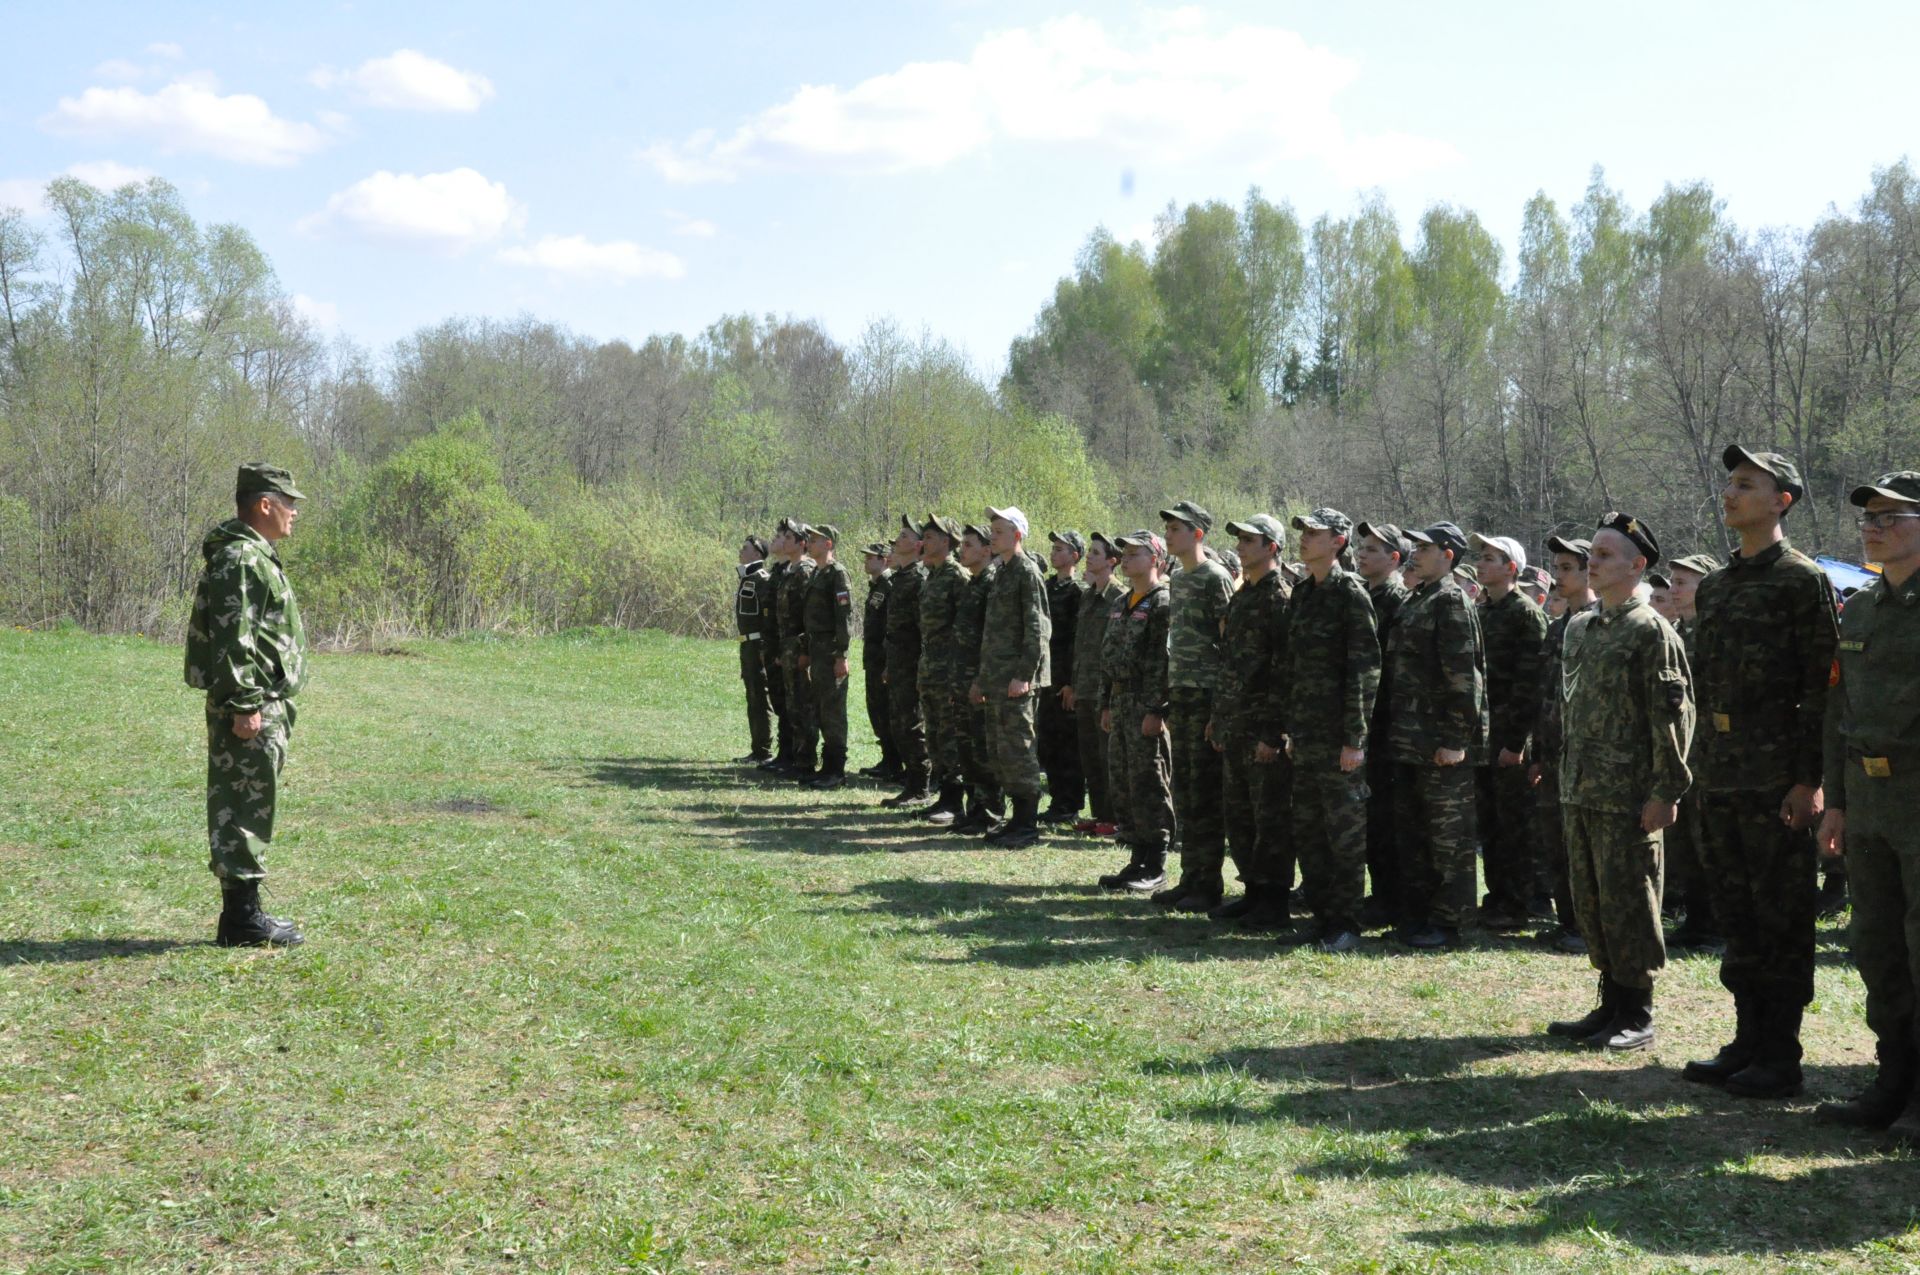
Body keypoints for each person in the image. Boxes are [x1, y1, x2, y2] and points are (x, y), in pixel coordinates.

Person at [1684, 447, 1839, 1100]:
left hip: (1776, 781)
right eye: (1728, 482)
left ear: (1783, 500)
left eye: (1746, 484)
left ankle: (1781, 1050)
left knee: (1781, 916)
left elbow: (1822, 689)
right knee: (1738, 913)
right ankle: (1747, 1038)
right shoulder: (1716, 587)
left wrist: (1809, 780)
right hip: (1720, 777)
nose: (1730, 492)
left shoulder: (1802, 581)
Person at [1546, 513, 1694, 1051]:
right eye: (1594, 553)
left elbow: (1673, 717)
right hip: (1582, 787)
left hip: (1628, 795)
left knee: (1630, 899)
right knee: (1591, 899)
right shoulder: (1582, 626)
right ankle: (1610, 1001)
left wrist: (1666, 791)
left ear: (1637, 566)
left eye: (1606, 555)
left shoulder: (1651, 630)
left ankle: (1637, 1009)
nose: (1593, 562)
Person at [1816, 471, 1920, 1138]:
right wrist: (1837, 800)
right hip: (1872, 799)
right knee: (1877, 942)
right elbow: (1838, 710)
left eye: (1892, 516)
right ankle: (1893, 1079)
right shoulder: (1862, 607)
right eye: (1869, 518)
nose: (1874, 527)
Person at [184, 462, 311, 947]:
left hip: (260, 699)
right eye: (289, 503)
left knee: (252, 800)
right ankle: (241, 919)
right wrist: (244, 704)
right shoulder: (241, 558)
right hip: (250, 704)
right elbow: (235, 635)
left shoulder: (254, 554)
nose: (295, 512)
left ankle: (245, 912)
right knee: (242, 802)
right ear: (264, 504)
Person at [1280, 508, 1379, 952]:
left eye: (1314, 533)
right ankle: (1321, 917)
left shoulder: (1350, 593)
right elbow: (1292, 666)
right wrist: (1288, 729)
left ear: (1338, 541)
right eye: (1302, 532)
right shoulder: (1303, 592)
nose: (1304, 539)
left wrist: (1354, 740)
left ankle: (1346, 924)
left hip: (1338, 738)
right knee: (1309, 831)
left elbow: (1364, 669)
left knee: (1343, 837)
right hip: (1305, 734)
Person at [1386, 521, 1488, 949]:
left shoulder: (1450, 601)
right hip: (1411, 739)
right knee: (1416, 836)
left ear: (1448, 555)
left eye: (1425, 548)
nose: (1416, 552)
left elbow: (1464, 676)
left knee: (1449, 839)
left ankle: (1451, 923)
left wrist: (1457, 739)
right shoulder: (1419, 597)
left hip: (1439, 742)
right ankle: (1423, 916)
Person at [1208, 513, 1294, 931]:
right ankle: (1253, 893)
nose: (1241, 546)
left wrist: (1273, 733)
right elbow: (1229, 664)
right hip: (1235, 723)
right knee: (1240, 817)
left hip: (1261, 727)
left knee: (1269, 819)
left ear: (1272, 548)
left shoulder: (1279, 597)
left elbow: (1282, 670)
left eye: (1250, 540)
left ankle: (1274, 901)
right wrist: (1218, 717)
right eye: (1239, 539)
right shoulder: (1243, 595)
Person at [1154, 500, 1236, 910]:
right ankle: (1190, 878)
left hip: (1205, 695)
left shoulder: (1213, 577)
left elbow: (1228, 643)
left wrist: (1218, 709)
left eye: (1176, 528)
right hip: (1182, 693)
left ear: (1197, 534)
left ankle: (1208, 885)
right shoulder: (1178, 579)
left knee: (1204, 792)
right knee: (1185, 788)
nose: (1169, 534)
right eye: (1167, 528)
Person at [1472, 533, 1549, 931]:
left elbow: (1531, 685)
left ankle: (1517, 904)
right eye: (1481, 558)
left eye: (1491, 558)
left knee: (1513, 826)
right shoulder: (1482, 610)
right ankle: (1496, 897)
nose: (1481, 564)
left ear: (1512, 569)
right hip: (1484, 737)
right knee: (1490, 825)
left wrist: (1516, 743)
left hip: (1510, 739)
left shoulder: (1525, 614)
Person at [1096, 531, 1175, 892]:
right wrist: (1106, 702)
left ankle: (1156, 863)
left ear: (1155, 559)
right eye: (1123, 553)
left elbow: (1163, 661)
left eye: (1135, 553)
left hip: (1146, 702)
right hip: (1121, 700)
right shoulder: (1123, 601)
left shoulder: (1162, 602)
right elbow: (1107, 657)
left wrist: (1157, 709)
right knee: (1124, 781)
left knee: (1149, 781)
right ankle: (1137, 858)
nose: (1125, 559)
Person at [1531, 535, 1596, 954]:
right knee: (1556, 843)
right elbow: (1546, 696)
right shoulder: (1557, 627)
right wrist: (1538, 753)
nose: (1558, 575)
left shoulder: (1598, 622)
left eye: (1568, 568)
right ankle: (1568, 920)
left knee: (1583, 848)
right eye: (1556, 567)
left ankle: (1587, 926)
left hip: (1587, 757)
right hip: (1554, 754)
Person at [972, 507, 1051, 847]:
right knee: (1001, 751)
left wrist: (1024, 675)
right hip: (997, 679)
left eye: (1000, 530)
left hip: (1017, 682)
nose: (993, 534)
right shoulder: (1001, 572)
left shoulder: (1026, 572)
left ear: (1017, 535)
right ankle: (1014, 820)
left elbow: (1037, 629)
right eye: (992, 529)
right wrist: (982, 678)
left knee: (1019, 751)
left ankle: (1027, 825)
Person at [1665, 551, 1725, 952]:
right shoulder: (1674, 632)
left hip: (1711, 757)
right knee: (1684, 843)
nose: (1674, 588)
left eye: (1683, 581)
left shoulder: (1715, 633)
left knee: (1711, 845)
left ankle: (1717, 927)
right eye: (1672, 580)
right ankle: (1695, 920)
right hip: (1681, 756)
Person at [1354, 521, 1412, 929]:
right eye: (1362, 547)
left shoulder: (1396, 601)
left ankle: (1391, 898)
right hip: (1367, 723)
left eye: (1373, 549)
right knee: (1370, 816)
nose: (1362, 553)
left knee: (1387, 819)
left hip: (1384, 725)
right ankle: (1380, 894)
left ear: (1394, 559)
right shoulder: (1365, 596)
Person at [1066, 534, 1125, 836]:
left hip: (1105, 691)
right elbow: (1081, 645)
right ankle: (1100, 814)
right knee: (1089, 757)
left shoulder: (1119, 596)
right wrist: (1073, 685)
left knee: (1107, 758)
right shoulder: (1089, 595)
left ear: (1112, 561)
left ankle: (1115, 817)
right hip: (1084, 688)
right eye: (1089, 552)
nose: (1089, 557)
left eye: (1096, 553)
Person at [914, 516, 971, 826]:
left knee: (949, 736)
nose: (925, 541)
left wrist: (957, 675)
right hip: (930, 669)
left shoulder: (956, 577)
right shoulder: (931, 576)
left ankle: (954, 801)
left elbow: (964, 630)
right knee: (934, 734)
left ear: (947, 542)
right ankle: (942, 795)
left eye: (931, 537)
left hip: (948, 671)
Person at [951, 523, 1007, 833]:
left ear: (987, 550)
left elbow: (991, 637)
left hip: (979, 680)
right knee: (966, 747)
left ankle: (989, 811)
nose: (962, 549)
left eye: (969, 545)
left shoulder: (991, 583)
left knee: (982, 748)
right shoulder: (973, 582)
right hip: (962, 678)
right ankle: (973, 809)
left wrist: (980, 680)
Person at [880, 518, 932, 807]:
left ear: (917, 545)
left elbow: (922, 629)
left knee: (913, 724)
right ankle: (911, 783)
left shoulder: (918, 578)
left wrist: (919, 667)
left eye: (903, 536)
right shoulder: (901, 577)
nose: (897, 540)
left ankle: (920, 785)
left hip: (913, 663)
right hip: (899, 660)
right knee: (899, 722)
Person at [1039, 532, 1090, 824]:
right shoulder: (1047, 587)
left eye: (1060, 549)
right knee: (1048, 741)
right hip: (1046, 676)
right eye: (1053, 548)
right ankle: (1057, 800)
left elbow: (1077, 640)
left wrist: (1072, 681)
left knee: (1067, 745)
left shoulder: (1077, 592)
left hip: (1063, 678)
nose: (1053, 553)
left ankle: (1069, 803)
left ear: (1074, 555)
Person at [799, 526, 854, 789]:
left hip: (831, 651)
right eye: (808, 540)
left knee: (833, 712)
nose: (809, 543)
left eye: (814, 540)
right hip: (817, 649)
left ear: (829, 544)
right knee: (821, 708)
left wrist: (841, 654)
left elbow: (844, 617)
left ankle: (836, 770)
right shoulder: (816, 573)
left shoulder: (837, 574)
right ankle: (825, 767)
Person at [772, 522, 820, 780]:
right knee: (792, 705)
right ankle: (794, 755)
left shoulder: (805, 570)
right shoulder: (790, 570)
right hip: (787, 646)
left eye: (791, 538)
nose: (785, 541)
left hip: (799, 647)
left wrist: (804, 649)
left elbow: (806, 616)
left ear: (802, 543)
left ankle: (806, 760)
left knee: (804, 706)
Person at [857, 543, 900, 782]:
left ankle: (894, 761)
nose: (866, 561)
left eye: (871, 557)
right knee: (876, 710)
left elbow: (889, 626)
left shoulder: (889, 585)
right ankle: (888, 758)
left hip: (884, 658)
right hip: (872, 659)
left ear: (884, 560)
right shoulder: (876, 586)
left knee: (886, 710)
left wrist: (887, 662)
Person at [733, 535, 775, 764]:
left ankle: (764, 751)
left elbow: (768, 618)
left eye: (745, 548)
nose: (741, 551)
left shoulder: (762, 579)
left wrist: (765, 648)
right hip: (746, 644)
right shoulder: (746, 578)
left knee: (760, 696)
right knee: (752, 695)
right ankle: (757, 748)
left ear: (757, 554)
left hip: (758, 645)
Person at [758, 524, 793, 772]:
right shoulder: (778, 570)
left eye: (781, 537)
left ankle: (793, 755)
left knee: (791, 703)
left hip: (786, 647)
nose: (775, 540)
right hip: (773, 644)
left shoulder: (795, 572)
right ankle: (785, 753)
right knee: (779, 700)